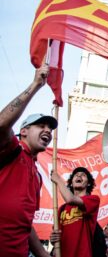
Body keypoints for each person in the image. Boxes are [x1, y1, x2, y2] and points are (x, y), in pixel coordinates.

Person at [0, 64, 53, 257]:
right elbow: (2, 124)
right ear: (23, 131)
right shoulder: (12, 150)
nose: (48, 131)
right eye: (41, 126)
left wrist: (43, 254)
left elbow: (25, 223)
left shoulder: (37, 176)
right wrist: (35, 85)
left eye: (50, 129)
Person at [50, 167, 100, 257]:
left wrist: (58, 180)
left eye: (83, 175)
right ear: (71, 183)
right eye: (76, 175)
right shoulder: (61, 209)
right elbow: (57, 237)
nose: (79, 176)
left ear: (88, 184)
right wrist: (53, 240)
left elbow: (70, 199)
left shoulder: (93, 200)